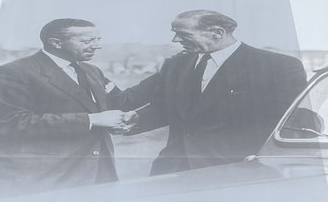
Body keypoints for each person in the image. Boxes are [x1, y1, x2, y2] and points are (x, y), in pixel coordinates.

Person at [118, 10, 309, 175]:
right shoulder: (176, 65)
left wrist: (268, 159)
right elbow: (171, 109)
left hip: (239, 172)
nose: (175, 40)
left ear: (217, 33)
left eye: (182, 34)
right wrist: (138, 119)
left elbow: (299, 121)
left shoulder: (276, 66)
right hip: (174, 169)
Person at [0, 18, 134, 197]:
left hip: (96, 176)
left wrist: (167, 72)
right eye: (88, 41)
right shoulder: (11, 73)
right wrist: (92, 120)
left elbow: (121, 101)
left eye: (98, 40)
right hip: (39, 182)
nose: (97, 46)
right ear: (56, 43)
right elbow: (8, 123)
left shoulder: (92, 71)